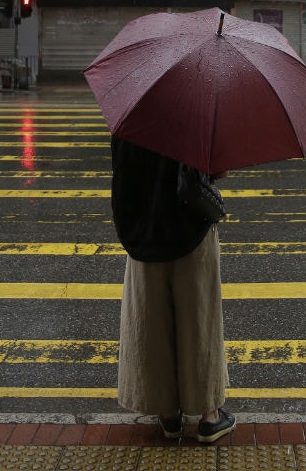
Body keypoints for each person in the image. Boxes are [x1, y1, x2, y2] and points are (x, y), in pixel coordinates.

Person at [109, 138, 236, 443]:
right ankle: (208, 416)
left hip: (143, 232)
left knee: (152, 322)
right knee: (199, 322)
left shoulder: (129, 117)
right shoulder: (198, 113)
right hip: (190, 230)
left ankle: (168, 415)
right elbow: (220, 171)